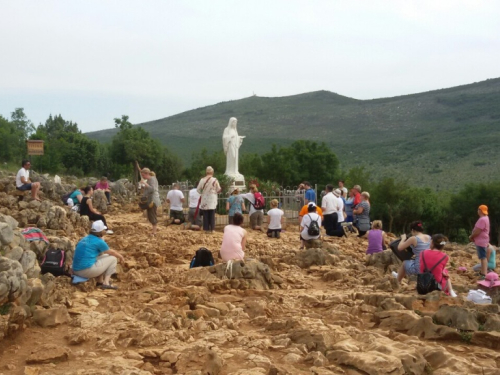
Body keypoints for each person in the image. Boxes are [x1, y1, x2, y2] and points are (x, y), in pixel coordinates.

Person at [72, 220, 124, 290]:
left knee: (105, 257)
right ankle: (106, 283)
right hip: (85, 271)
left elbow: (101, 254)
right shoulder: (98, 241)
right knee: (113, 258)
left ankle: (100, 281)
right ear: (100, 231)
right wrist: (121, 257)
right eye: (103, 230)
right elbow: (111, 252)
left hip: (76, 270)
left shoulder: (85, 238)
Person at [197, 166, 221, 233]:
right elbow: (218, 189)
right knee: (212, 213)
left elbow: (198, 190)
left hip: (205, 198)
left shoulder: (202, 180)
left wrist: (203, 192)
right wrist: (214, 192)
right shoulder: (215, 180)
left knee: (205, 214)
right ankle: (212, 229)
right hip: (212, 198)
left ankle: (206, 229)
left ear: (206, 172)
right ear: (212, 172)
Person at [139, 167, 161, 236]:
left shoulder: (152, 179)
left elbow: (152, 189)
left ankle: (154, 232)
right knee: (150, 215)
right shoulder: (150, 180)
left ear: (147, 174)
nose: (143, 177)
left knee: (152, 215)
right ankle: (153, 231)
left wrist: (145, 184)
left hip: (153, 200)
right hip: (150, 200)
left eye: (143, 175)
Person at [469, 205, 490, 279]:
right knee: (482, 257)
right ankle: (483, 272)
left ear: (480, 210)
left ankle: (484, 274)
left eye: (478, 209)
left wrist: (471, 236)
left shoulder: (482, 219)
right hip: (483, 240)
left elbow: (478, 231)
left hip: (481, 241)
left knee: (483, 257)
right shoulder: (486, 218)